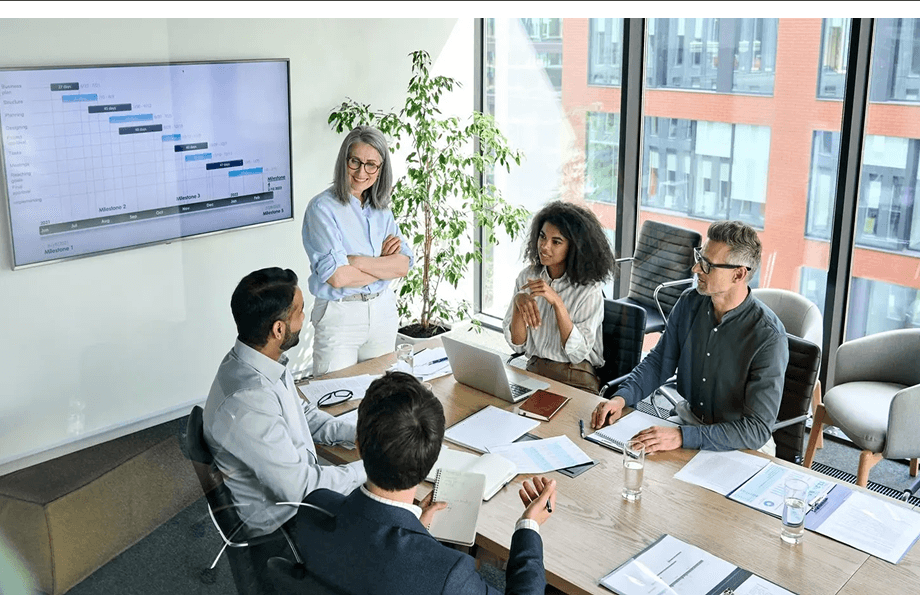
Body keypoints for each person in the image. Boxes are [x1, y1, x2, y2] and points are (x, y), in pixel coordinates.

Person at [296, 371, 556, 595]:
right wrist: (529, 526)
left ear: (359, 447)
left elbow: (370, 562)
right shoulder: (447, 574)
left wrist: (416, 529)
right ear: (431, 462)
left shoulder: (312, 509)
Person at [203, 268, 366, 588]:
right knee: (398, 528)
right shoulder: (248, 401)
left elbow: (300, 413)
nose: (305, 318)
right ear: (279, 329)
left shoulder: (254, 360)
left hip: (294, 498)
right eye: (300, 311)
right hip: (286, 530)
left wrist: (354, 432)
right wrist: (375, 467)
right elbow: (302, 490)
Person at [591, 220, 789, 455]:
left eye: (707, 265)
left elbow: (755, 430)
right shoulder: (689, 302)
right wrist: (621, 398)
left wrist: (682, 436)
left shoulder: (769, 337)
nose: (695, 269)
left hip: (740, 444)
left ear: (738, 274)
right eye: (699, 258)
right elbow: (658, 363)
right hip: (688, 422)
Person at [302, 125, 413, 377]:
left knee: (383, 400)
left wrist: (355, 261)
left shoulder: (382, 209)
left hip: (382, 312)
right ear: (344, 161)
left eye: (371, 164)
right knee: (336, 399)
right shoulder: (322, 209)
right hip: (341, 314)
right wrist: (383, 266)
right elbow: (338, 277)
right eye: (355, 161)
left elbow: (403, 265)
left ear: (381, 169)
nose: (362, 171)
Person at [503, 200, 617, 394]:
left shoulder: (589, 290)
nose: (544, 247)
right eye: (542, 237)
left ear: (574, 247)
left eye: (556, 242)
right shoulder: (526, 277)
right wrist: (517, 304)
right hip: (535, 370)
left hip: (575, 377)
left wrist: (557, 302)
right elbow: (518, 344)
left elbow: (577, 354)